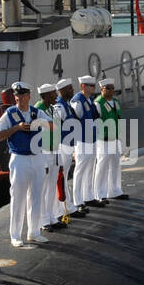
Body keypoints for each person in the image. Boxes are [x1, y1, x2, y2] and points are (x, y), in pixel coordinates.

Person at [0, 82, 47, 247]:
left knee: (37, 195)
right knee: (18, 197)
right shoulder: (10, 114)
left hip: (37, 157)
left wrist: (40, 125)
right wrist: (16, 128)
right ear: (15, 97)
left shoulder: (37, 112)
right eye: (17, 96)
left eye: (23, 95)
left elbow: (54, 126)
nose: (21, 98)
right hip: (20, 158)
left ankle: (34, 231)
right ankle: (15, 235)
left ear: (29, 96)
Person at [34, 83, 65, 233]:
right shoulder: (38, 110)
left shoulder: (52, 108)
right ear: (46, 95)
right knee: (44, 187)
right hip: (44, 151)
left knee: (52, 185)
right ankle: (43, 220)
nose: (56, 96)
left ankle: (52, 216)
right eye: (53, 94)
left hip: (54, 150)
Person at [70, 75, 105, 207]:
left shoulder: (89, 100)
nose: (93, 88)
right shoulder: (77, 101)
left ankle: (88, 196)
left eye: (93, 85)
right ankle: (78, 201)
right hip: (82, 141)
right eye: (91, 85)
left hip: (91, 139)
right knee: (80, 170)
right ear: (83, 86)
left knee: (90, 168)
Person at [53, 77, 84, 221]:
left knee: (64, 179)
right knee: (60, 179)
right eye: (69, 88)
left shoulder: (66, 105)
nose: (72, 90)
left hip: (68, 145)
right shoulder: (59, 106)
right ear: (62, 91)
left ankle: (68, 207)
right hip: (62, 146)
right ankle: (61, 210)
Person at [94, 78, 126, 200]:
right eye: (109, 88)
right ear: (102, 89)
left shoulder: (116, 102)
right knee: (102, 166)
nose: (112, 90)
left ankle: (115, 190)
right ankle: (100, 194)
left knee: (116, 165)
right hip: (104, 140)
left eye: (113, 88)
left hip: (115, 138)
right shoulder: (98, 103)